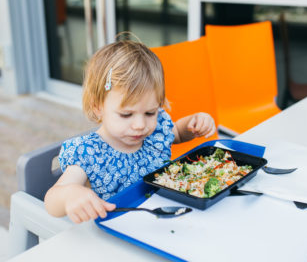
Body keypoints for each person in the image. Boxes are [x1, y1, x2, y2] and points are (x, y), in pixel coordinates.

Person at [44, 39, 216, 224]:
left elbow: (179, 133)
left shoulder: (155, 132)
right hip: (117, 231)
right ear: (97, 107)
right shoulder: (90, 153)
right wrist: (70, 194)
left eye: (150, 112)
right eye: (126, 115)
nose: (140, 125)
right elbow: (52, 200)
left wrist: (193, 123)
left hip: (164, 218)